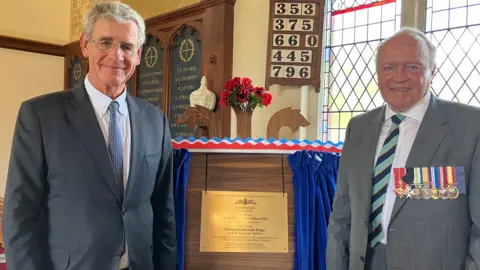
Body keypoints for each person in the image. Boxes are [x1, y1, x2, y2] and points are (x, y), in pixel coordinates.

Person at [2, 2, 176, 270]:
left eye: (127, 46)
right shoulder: (40, 115)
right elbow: (20, 213)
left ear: (139, 54)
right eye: (105, 42)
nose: (117, 55)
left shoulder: (155, 120)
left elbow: (163, 210)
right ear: (85, 45)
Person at [326, 27, 480, 270]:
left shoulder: (471, 126)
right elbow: (341, 215)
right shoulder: (358, 128)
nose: (399, 76)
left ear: (432, 70)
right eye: (389, 67)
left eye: (412, 67)